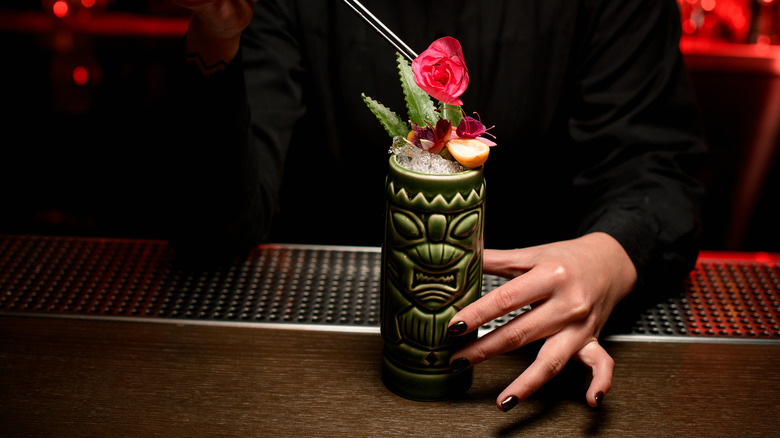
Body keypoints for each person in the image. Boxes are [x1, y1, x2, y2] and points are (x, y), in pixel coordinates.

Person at [166, 0, 706, 412]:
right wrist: (216, 32)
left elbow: (656, 167)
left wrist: (604, 259)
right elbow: (213, 231)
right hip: (308, 364)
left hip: (542, 352)